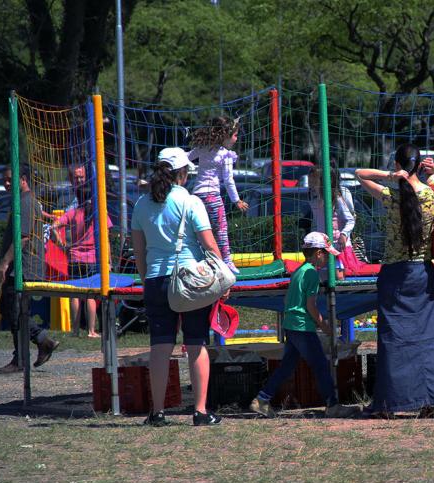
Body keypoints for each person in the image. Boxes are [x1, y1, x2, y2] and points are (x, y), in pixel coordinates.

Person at [355, 145, 434, 417]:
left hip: (395, 275)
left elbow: (360, 174)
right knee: (429, 338)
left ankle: (390, 403)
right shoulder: (432, 194)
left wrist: (391, 176)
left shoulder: (391, 197)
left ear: (398, 165)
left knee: (394, 340)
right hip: (423, 274)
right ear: (419, 165)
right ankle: (429, 400)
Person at [131, 147, 225, 426]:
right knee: (196, 343)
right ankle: (200, 411)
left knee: (160, 347)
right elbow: (209, 244)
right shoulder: (191, 201)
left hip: (156, 280)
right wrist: (222, 275)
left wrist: (149, 281)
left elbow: (139, 253)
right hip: (190, 280)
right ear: (182, 173)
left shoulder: (141, 204)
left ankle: (157, 412)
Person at [249, 232, 360, 418]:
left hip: (291, 325)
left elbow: (289, 300)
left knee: (287, 366)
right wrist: (324, 325)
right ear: (318, 253)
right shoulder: (311, 274)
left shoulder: (299, 271)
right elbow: (311, 306)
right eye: (326, 254)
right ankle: (332, 405)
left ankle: (262, 399)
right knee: (321, 365)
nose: (328, 259)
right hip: (302, 327)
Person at [0, 165, 59, 373]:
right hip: (19, 267)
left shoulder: (26, 202)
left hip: (24, 267)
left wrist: (5, 263)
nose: (6, 183)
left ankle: (37, 345)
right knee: (9, 309)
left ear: (23, 179)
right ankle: (32, 349)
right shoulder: (21, 201)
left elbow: (23, 237)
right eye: (3, 180)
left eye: (10, 179)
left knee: (15, 311)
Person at [50, 175, 112, 337]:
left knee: (76, 295)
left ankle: (75, 330)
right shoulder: (99, 214)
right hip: (93, 259)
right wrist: (108, 261)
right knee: (90, 295)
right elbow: (106, 239)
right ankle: (91, 330)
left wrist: (62, 245)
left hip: (74, 258)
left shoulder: (73, 213)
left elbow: (53, 226)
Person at [188, 115, 248, 274]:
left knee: (200, 230)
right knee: (220, 229)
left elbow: (186, 157)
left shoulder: (203, 148)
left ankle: (201, 262)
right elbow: (228, 180)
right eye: (235, 135)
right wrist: (236, 200)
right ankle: (226, 261)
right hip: (212, 196)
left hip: (196, 196)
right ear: (225, 136)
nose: (236, 139)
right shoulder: (225, 154)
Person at [309, 163, 361, 276]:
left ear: (323, 181)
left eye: (314, 180)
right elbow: (317, 222)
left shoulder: (336, 198)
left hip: (337, 245)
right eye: (310, 180)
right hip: (322, 245)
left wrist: (344, 235)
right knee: (323, 276)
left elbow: (350, 219)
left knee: (338, 275)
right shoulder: (314, 199)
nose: (311, 183)